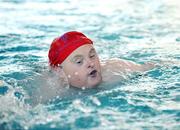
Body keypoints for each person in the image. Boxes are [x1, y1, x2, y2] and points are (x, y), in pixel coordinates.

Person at [48, 31, 155, 89]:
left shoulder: (118, 70)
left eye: (92, 55)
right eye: (79, 62)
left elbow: (153, 67)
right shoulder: (50, 92)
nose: (90, 63)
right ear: (59, 71)